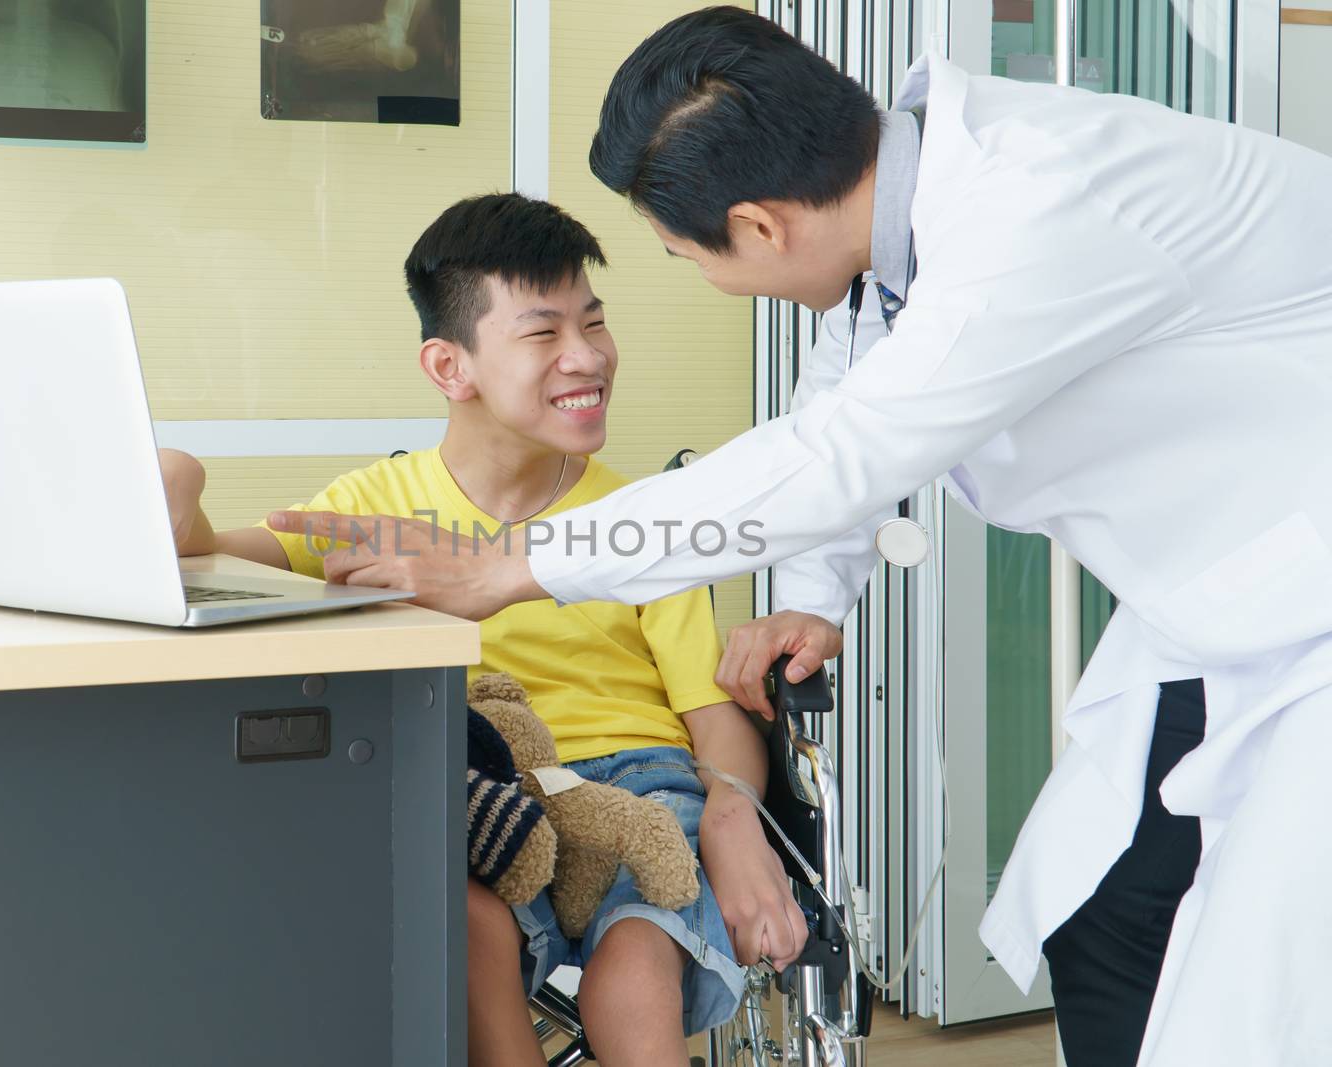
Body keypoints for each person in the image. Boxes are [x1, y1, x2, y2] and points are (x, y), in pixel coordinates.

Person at [269, 8, 1332, 1065]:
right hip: (1239, 604)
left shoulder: (1036, 212)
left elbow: (845, 454)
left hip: (1299, 612)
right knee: (1105, 916)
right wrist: (814, 598)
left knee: (1247, 984)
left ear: (763, 226)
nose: (699, 283)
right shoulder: (902, 231)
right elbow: (838, 412)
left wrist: (515, 563)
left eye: (689, 258)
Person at [161, 191, 808, 1067]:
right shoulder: (372, 508)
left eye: (595, 322)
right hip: (475, 787)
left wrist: (734, 811)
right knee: (465, 923)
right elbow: (216, 559)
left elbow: (711, 711)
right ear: (449, 366)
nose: (586, 356)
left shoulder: (637, 519)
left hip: (640, 780)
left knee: (639, 946)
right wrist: (175, 495)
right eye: (543, 334)